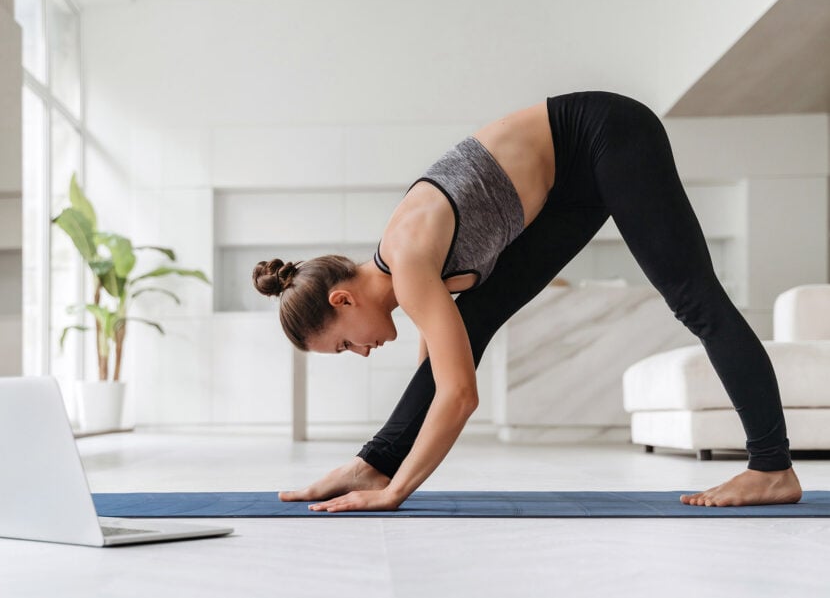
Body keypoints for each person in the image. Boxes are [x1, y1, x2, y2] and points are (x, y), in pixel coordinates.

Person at [252, 91, 802, 512]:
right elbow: (442, 365)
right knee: (475, 319)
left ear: (343, 298)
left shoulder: (410, 253)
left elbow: (459, 395)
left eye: (344, 343)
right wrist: (374, 463)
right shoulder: (410, 272)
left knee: (695, 300)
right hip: (567, 185)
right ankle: (368, 465)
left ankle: (772, 467)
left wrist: (396, 491)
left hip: (604, 134)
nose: (362, 351)